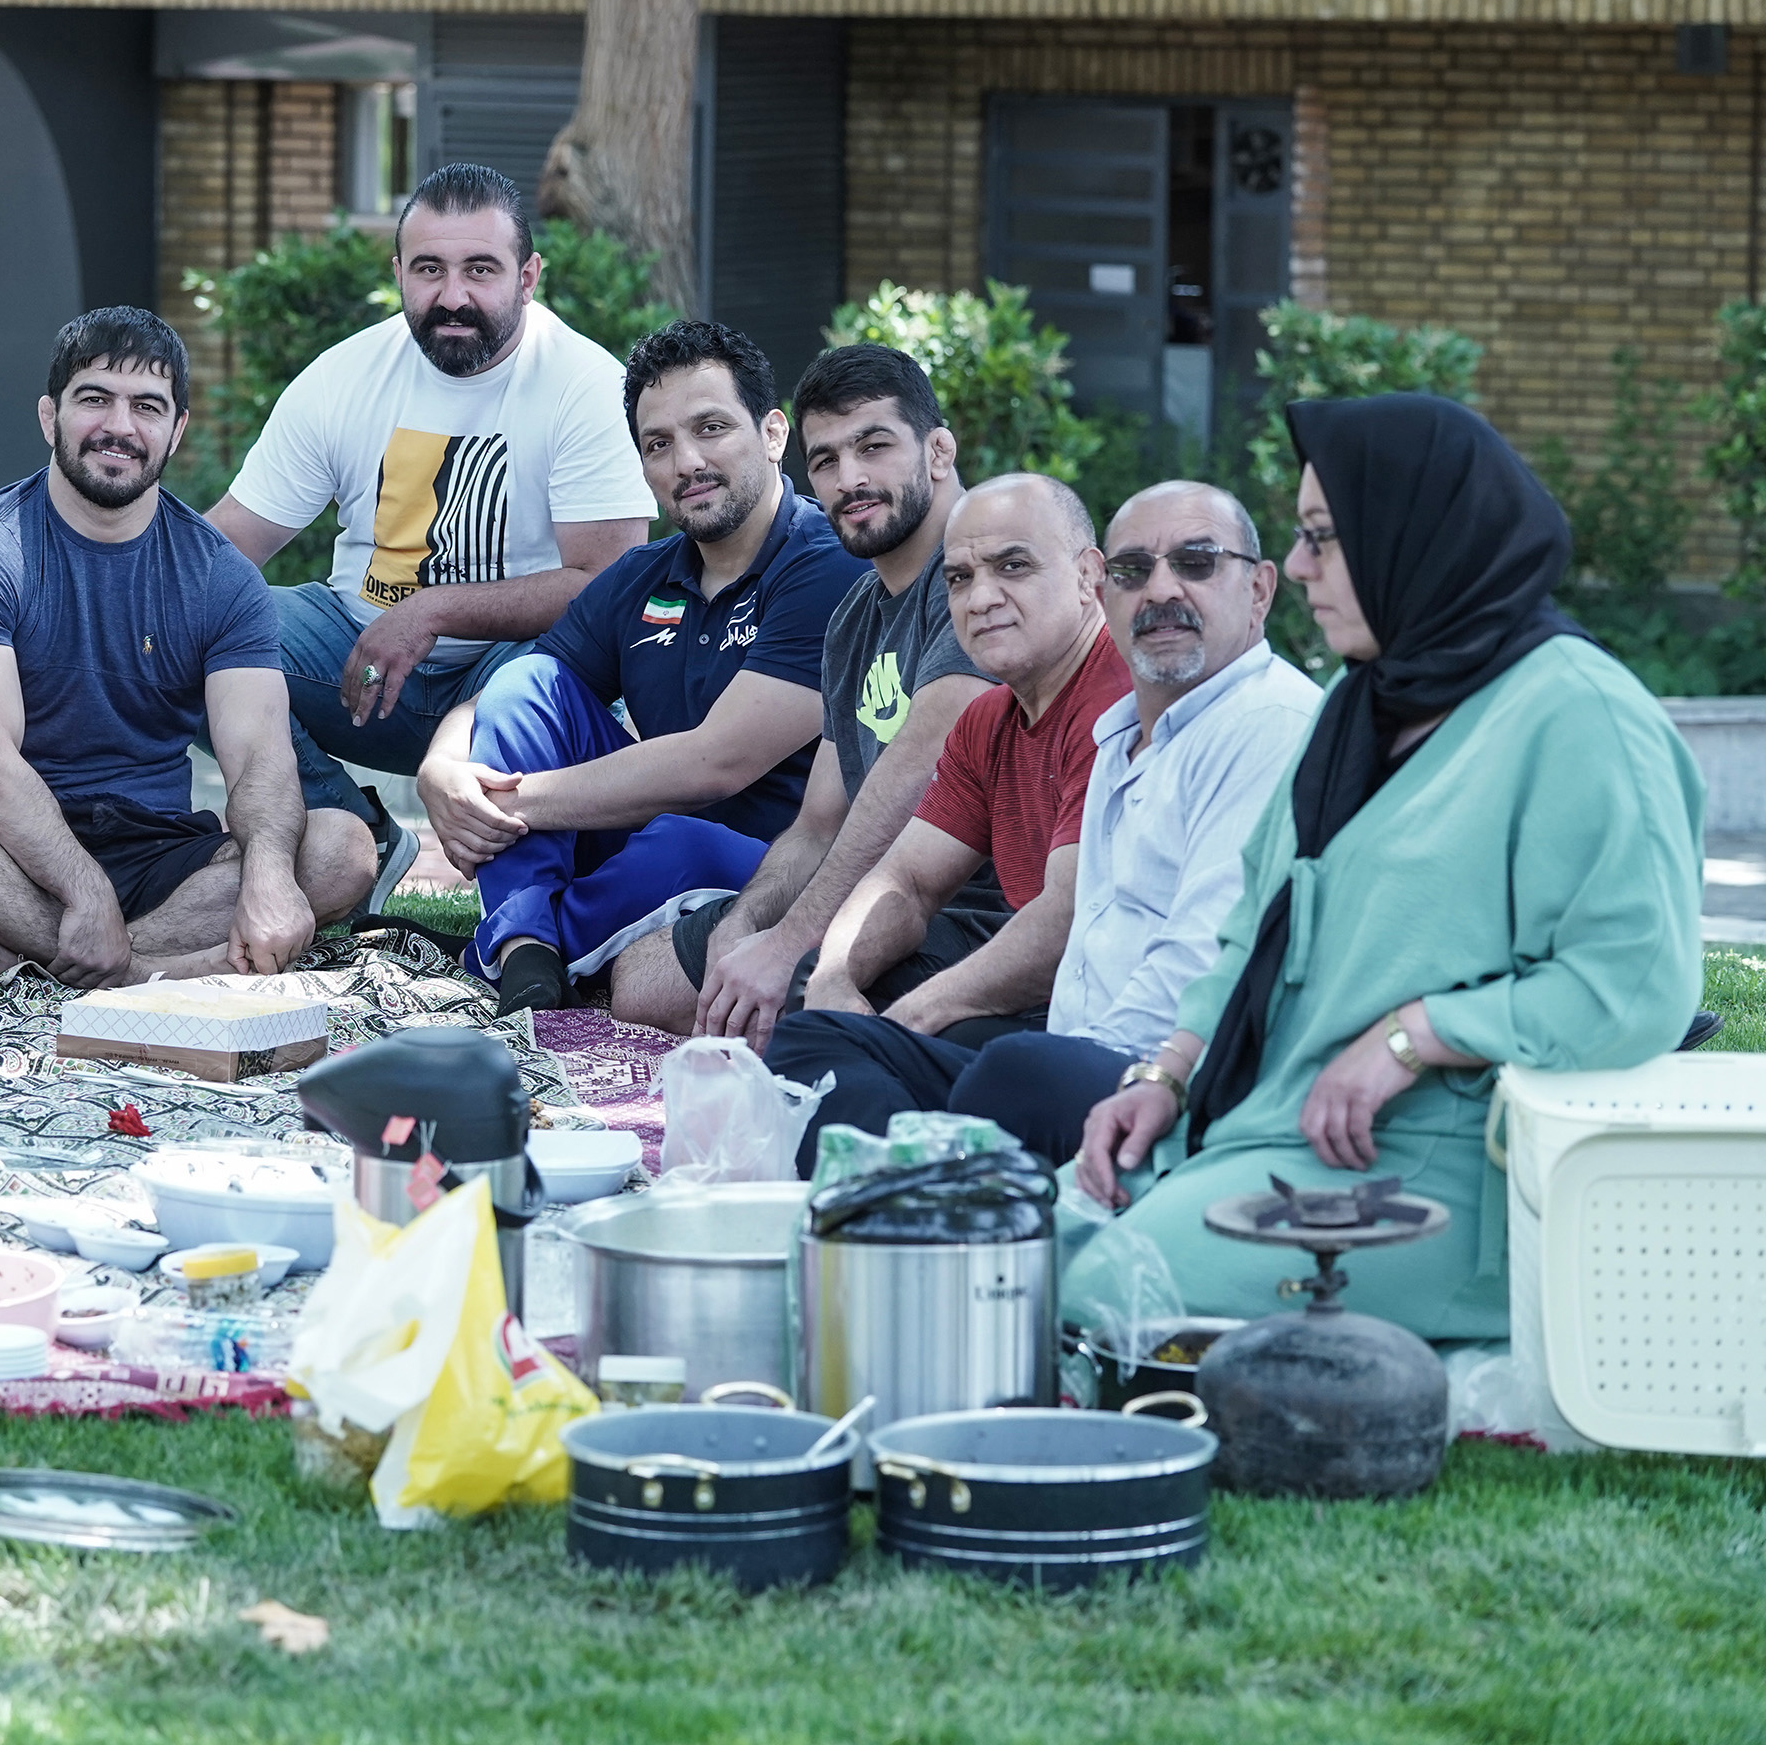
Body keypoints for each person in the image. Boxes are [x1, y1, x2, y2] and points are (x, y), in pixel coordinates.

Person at [1069, 396, 1701, 1341]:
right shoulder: (1357, 709)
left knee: (1101, 1291)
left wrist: (1417, 1035)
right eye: (1304, 536)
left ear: (1418, 533)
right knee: (1024, 1239)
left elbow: (1634, 985)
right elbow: (1255, 927)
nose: (1302, 568)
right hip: (1265, 1122)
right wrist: (1167, 1073)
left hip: (1444, 1167)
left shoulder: (1577, 714)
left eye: (1326, 537)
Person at [748, 480, 1320, 1162]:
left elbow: (1190, 964)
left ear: (1259, 590)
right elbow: (903, 879)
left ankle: (910, 1184)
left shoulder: (1259, 722)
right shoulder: (1130, 729)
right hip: (1077, 1040)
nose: (1161, 589)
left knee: (1006, 1069)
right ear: (1106, 586)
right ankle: (906, 1184)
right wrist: (832, 981)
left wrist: (919, 1019)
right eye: (1134, 571)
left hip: (1163, 1071)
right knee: (816, 1031)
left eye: (1196, 563)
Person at [0, 308, 379, 983]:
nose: (120, 427)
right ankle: (136, 967)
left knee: (342, 847)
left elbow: (259, 756)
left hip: (155, 854)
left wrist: (271, 875)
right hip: (4, 853)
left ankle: (62, 963)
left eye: (147, 407)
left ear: (177, 430)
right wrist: (84, 890)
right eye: (95, 399)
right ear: (50, 416)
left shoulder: (220, 575)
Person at [206, 164, 654, 904]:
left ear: (528, 277)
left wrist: (432, 610)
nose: (452, 296)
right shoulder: (345, 375)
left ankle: (529, 911)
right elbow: (226, 545)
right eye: (429, 270)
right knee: (191, 629)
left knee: (542, 682)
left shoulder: (584, 385)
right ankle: (356, 831)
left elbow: (608, 585)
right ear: (398, 274)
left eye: (480, 269)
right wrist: (107, 597)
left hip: (510, 678)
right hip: (354, 664)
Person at [412, 320, 861, 1013]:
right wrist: (441, 768)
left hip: (775, 864)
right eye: (659, 444)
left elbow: (718, 764)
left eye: (711, 428)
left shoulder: (825, 566)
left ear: (773, 433)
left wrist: (499, 807)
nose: (687, 462)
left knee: (683, 843)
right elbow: (518, 694)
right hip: (646, 837)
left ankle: (520, 940)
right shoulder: (644, 575)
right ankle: (527, 948)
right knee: (528, 683)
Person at [607, 343, 1000, 1040]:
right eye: (825, 461)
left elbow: (915, 772)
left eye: (874, 447)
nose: (850, 479)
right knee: (641, 979)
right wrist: (748, 923)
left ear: (938, 451)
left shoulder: (979, 581)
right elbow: (820, 823)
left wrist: (791, 944)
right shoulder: (855, 615)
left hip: (967, 914)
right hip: (867, 896)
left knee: (780, 1018)